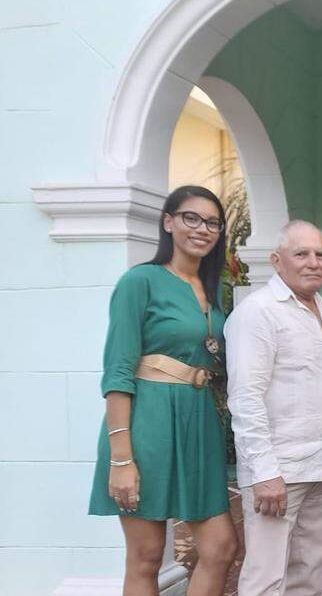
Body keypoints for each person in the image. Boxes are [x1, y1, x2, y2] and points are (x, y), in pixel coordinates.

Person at [89, 185, 238, 596]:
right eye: (191, 218)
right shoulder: (141, 281)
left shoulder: (212, 290)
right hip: (147, 423)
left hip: (199, 421)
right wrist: (122, 458)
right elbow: (118, 370)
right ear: (168, 222)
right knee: (147, 555)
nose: (202, 229)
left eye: (212, 222)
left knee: (221, 546)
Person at [225, 220, 322, 596]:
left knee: (311, 571)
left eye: (321, 254)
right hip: (277, 470)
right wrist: (264, 472)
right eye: (302, 254)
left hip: (321, 464)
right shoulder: (258, 312)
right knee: (266, 577)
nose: (314, 262)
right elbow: (245, 397)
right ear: (277, 261)